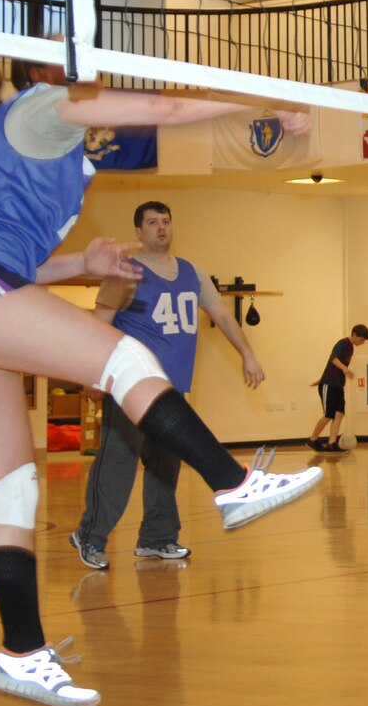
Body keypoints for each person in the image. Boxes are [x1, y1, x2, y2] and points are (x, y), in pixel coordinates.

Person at [0, 56, 322, 706]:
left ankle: (22, 652)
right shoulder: (43, 106)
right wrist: (264, 95)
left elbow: (10, 263)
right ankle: (233, 484)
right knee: (128, 359)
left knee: (9, 485)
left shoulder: (35, 149)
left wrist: (80, 263)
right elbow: (168, 109)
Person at [69, 201, 266, 569]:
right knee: (117, 465)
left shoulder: (193, 273)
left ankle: (157, 538)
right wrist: (89, 374)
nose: (161, 228)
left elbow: (223, 315)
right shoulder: (125, 273)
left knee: (165, 467)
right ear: (138, 231)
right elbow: (98, 325)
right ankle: (90, 536)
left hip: (170, 393)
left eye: (166, 221)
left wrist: (247, 355)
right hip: (129, 389)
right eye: (152, 222)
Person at [310, 324, 368, 451]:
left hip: (337, 385)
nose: (362, 343)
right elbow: (333, 359)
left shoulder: (351, 348)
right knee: (328, 414)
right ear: (354, 335)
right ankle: (312, 439)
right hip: (329, 384)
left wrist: (323, 377)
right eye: (361, 340)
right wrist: (345, 369)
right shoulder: (342, 343)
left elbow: (332, 367)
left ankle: (332, 443)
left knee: (339, 413)